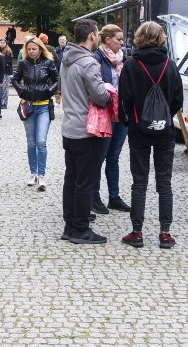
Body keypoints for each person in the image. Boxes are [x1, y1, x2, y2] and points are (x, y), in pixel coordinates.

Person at [118, 21, 183, 249]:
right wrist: (164, 118)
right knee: (164, 181)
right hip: (164, 131)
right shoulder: (171, 65)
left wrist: (129, 122)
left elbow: (124, 98)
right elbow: (178, 100)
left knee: (139, 181)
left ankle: (137, 232)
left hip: (139, 130)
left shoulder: (131, 66)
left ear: (138, 38)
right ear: (161, 37)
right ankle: (165, 233)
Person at [59, 18, 111, 244]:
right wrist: (109, 92)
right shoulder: (89, 63)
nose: (98, 36)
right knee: (84, 182)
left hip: (69, 128)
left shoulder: (66, 59)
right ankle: (81, 229)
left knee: (71, 179)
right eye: (97, 33)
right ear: (91, 35)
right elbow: (100, 96)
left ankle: (70, 225)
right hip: (86, 129)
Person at [91, 24, 131, 215]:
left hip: (121, 115)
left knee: (113, 157)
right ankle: (94, 197)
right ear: (107, 40)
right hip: (104, 115)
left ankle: (114, 197)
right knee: (99, 157)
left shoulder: (123, 59)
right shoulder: (97, 58)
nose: (122, 43)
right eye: (118, 39)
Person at [12, 36, 59, 191]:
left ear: (40, 48)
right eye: (29, 49)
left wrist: (49, 91)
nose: (31, 52)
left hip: (44, 106)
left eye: (34, 49)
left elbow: (57, 80)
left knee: (41, 141)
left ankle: (42, 175)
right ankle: (33, 173)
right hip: (29, 106)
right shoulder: (23, 63)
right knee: (31, 143)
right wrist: (22, 91)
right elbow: (15, 79)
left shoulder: (48, 63)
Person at [0, 38, 13, 114]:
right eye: (1, 42)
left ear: (6, 44)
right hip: (2, 71)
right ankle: (0, 102)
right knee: (1, 88)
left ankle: (4, 103)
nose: (2, 44)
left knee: (5, 88)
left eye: (3, 43)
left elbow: (7, 63)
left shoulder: (7, 51)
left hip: (6, 72)